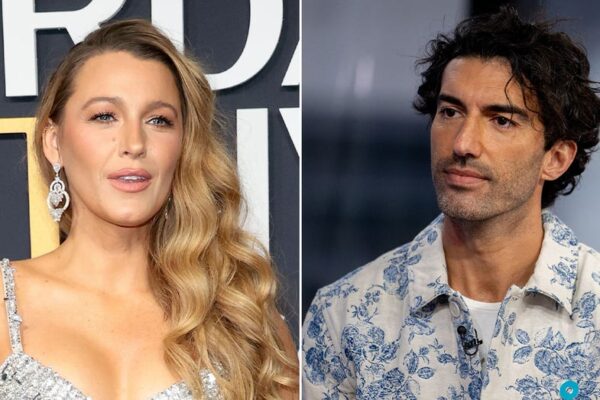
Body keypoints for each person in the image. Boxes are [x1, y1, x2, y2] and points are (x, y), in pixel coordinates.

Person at [303, 7, 600, 399]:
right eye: (450, 112)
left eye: (501, 120)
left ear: (556, 158)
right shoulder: (345, 315)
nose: (462, 144)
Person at [0, 19, 298, 400]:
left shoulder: (243, 319)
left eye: (159, 120)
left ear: (183, 146)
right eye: (105, 116)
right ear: (54, 142)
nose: (134, 143)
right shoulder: (4, 303)